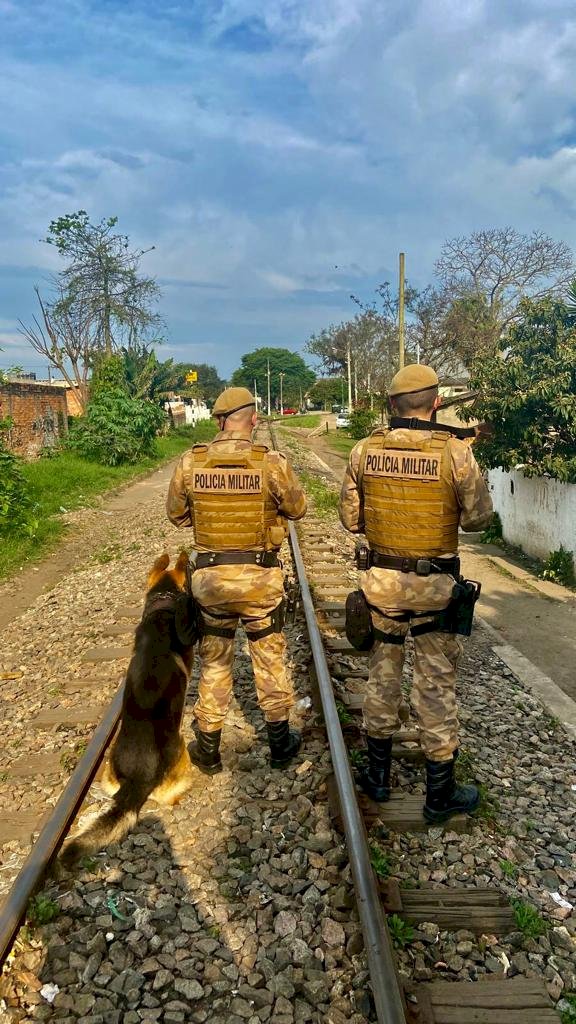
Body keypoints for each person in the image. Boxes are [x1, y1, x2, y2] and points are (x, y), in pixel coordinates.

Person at [339, 365, 493, 823]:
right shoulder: (456, 453)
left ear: (391, 405)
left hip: (383, 586)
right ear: (436, 403)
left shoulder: (365, 451)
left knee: (383, 675)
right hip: (435, 592)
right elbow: (478, 519)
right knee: (436, 684)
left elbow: (351, 519)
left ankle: (379, 776)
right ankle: (439, 793)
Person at [166, 387, 307, 774]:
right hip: (260, 580)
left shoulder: (191, 462)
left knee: (215, 662)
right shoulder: (270, 463)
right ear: (254, 420)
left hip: (212, 581)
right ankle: (279, 744)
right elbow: (298, 509)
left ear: (218, 421)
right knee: (269, 657)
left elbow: (176, 514)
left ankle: (208, 748)